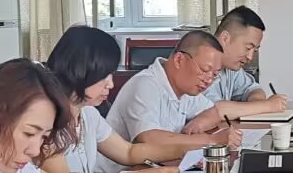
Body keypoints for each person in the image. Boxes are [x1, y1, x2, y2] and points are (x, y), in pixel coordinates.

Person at [39, 25, 184, 173]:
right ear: (80, 71)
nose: (111, 84)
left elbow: (128, 152)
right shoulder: (45, 118)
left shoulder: (88, 113)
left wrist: (185, 151)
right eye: (104, 75)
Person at [105, 29, 244, 154]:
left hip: (155, 166)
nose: (208, 80)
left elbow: (213, 112)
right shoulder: (145, 84)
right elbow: (149, 139)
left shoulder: (186, 88)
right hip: (120, 172)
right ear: (179, 60)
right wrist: (212, 140)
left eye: (214, 74)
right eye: (204, 70)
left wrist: (199, 123)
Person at [205, 6, 291, 118]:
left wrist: (257, 105)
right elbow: (213, 111)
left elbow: (253, 89)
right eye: (248, 48)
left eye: (254, 50)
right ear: (225, 38)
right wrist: (267, 106)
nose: (250, 57)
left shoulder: (230, 66)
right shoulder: (200, 65)